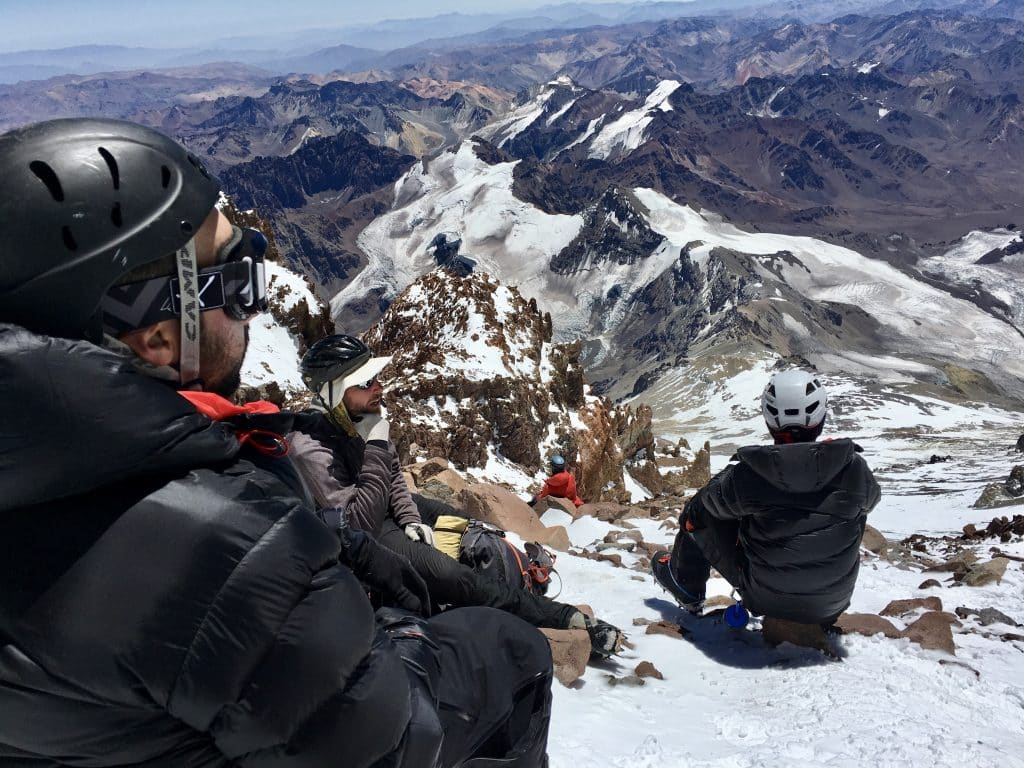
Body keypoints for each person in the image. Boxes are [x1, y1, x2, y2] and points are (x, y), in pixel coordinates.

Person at [0, 117, 553, 767]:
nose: (253, 304)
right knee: (513, 650)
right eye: (236, 279)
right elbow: (390, 740)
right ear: (154, 334)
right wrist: (397, 632)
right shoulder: (220, 546)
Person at [288, 334, 625, 658]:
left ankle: (507, 560)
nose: (378, 388)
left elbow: (391, 476)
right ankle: (560, 616)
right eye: (364, 383)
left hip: (384, 510)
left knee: (456, 517)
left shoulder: (357, 416)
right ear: (332, 393)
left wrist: (408, 517)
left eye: (375, 377)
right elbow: (357, 525)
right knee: (450, 575)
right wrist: (376, 443)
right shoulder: (310, 450)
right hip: (367, 532)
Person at [652, 368, 881, 627]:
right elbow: (871, 501)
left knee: (699, 512)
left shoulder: (749, 474)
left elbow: (706, 503)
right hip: (832, 603)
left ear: (769, 418)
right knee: (854, 510)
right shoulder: (855, 468)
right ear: (821, 416)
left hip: (763, 598)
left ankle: (687, 587)